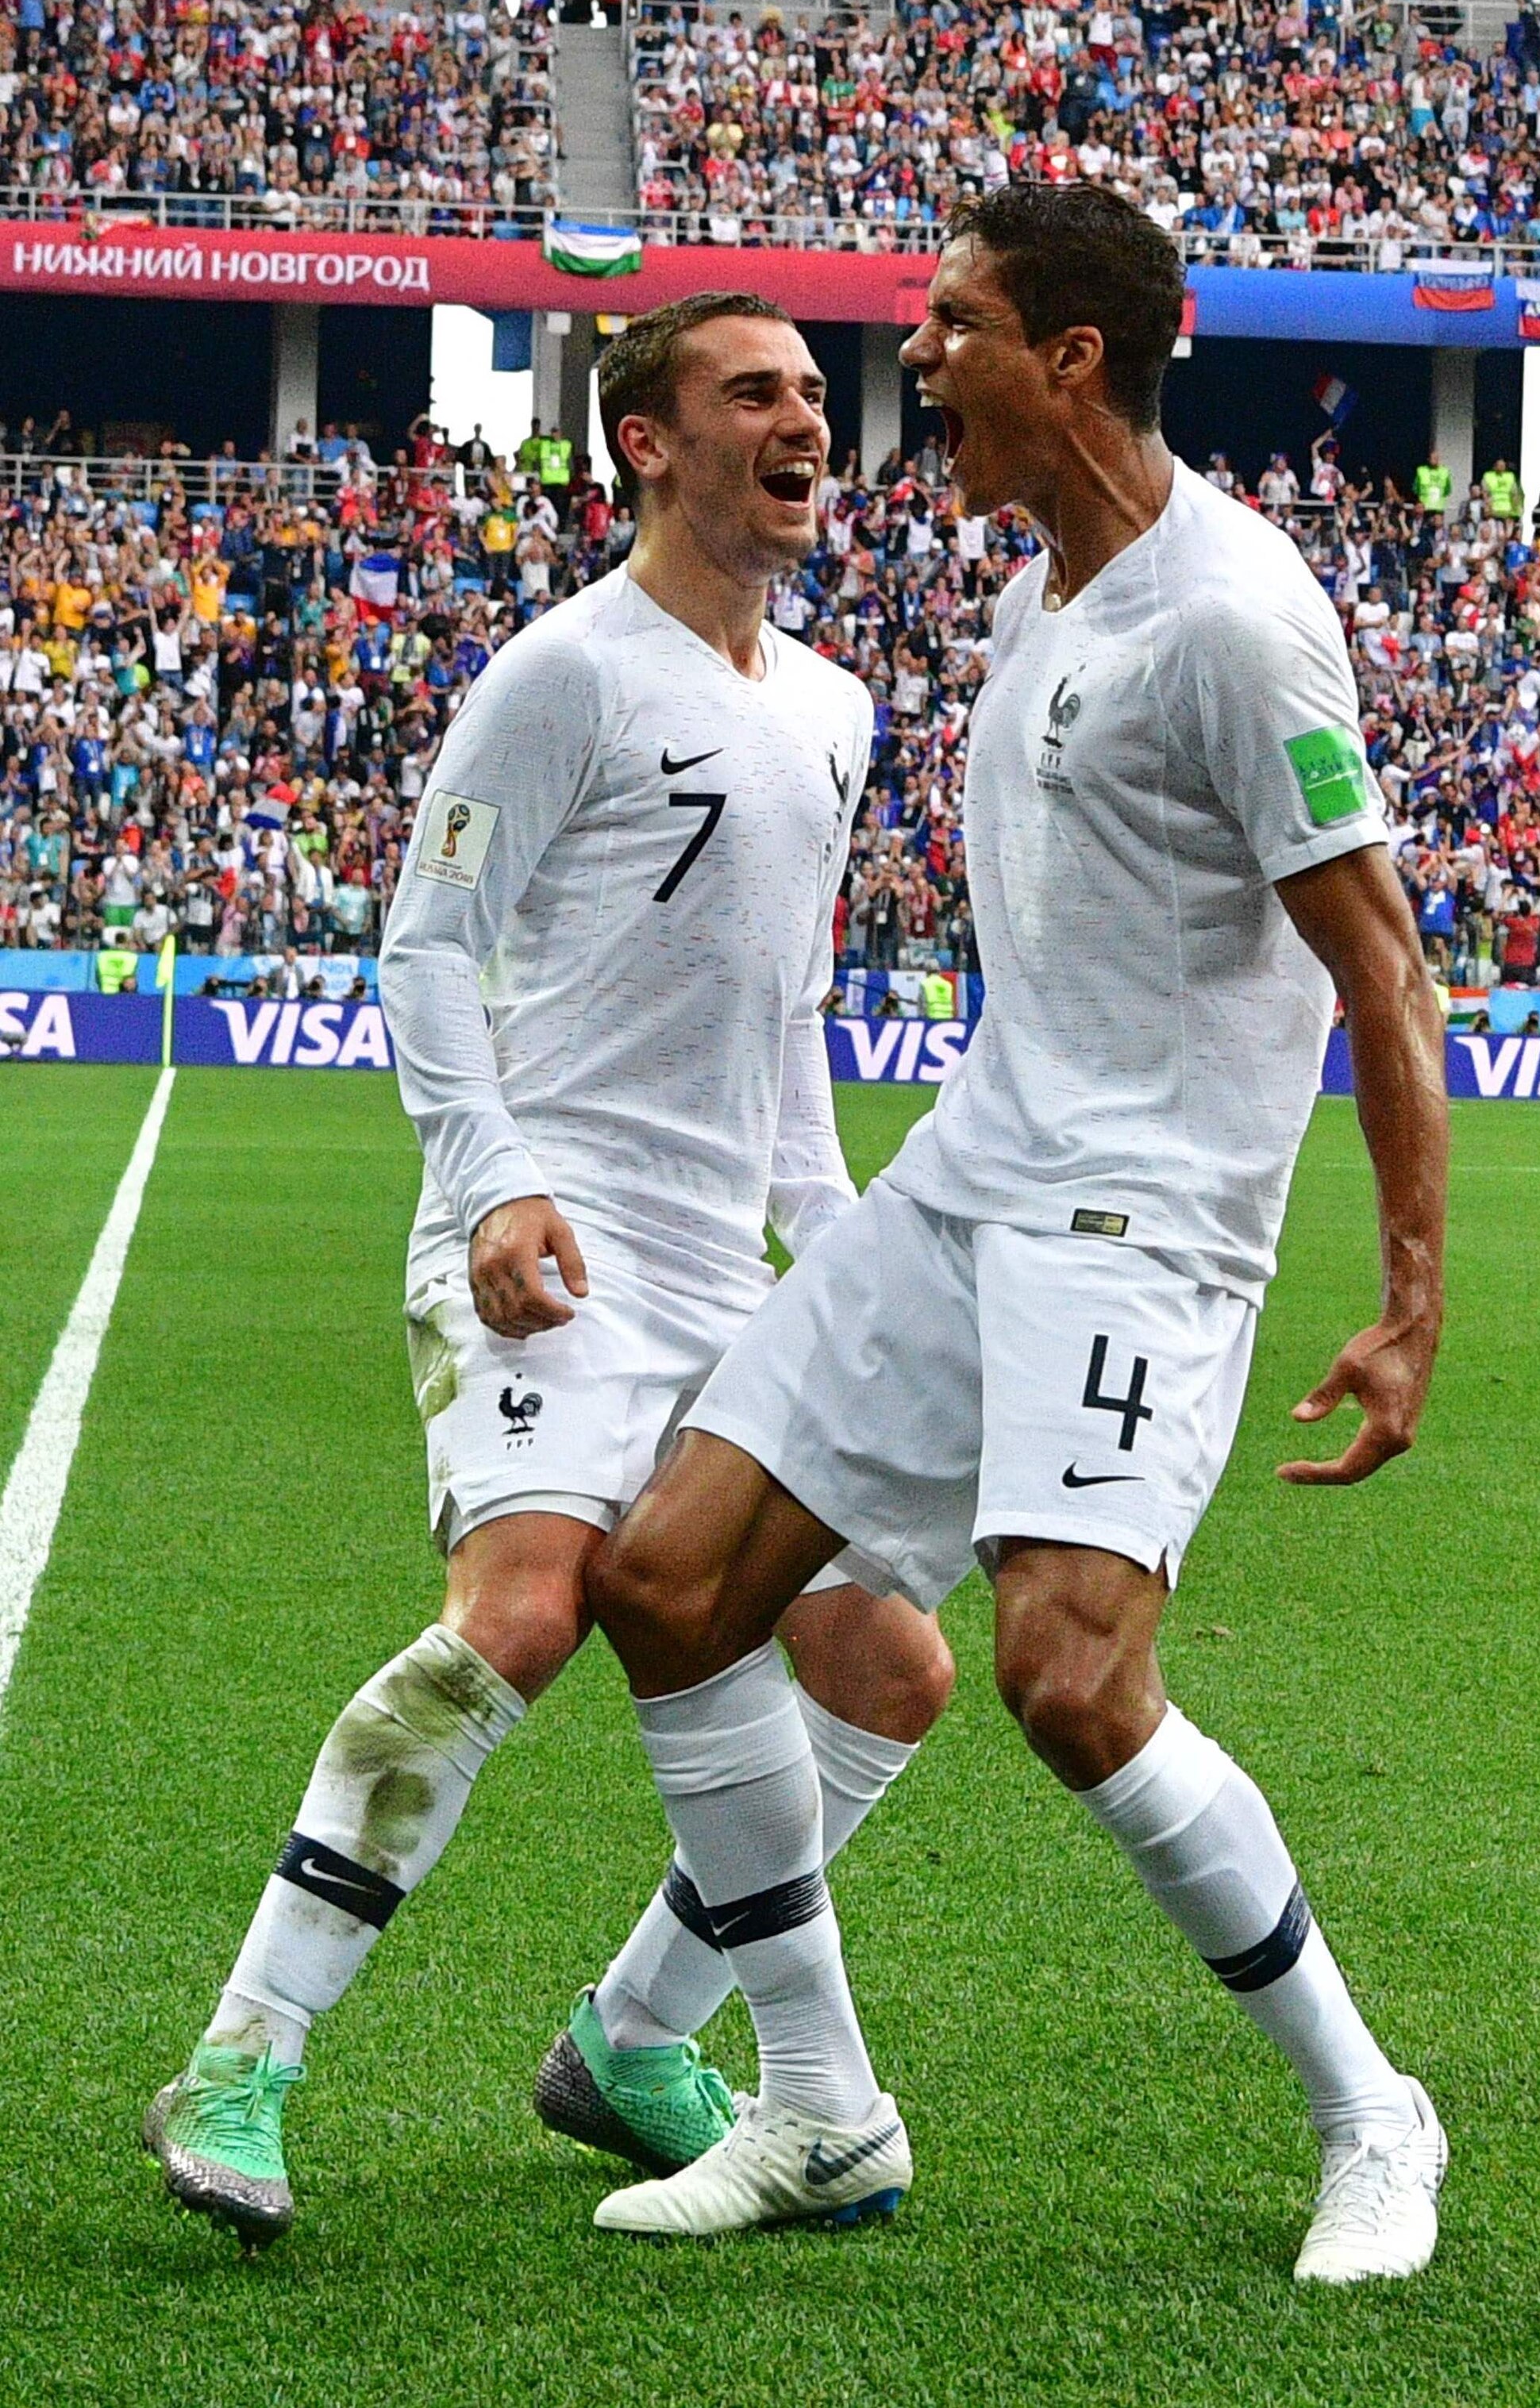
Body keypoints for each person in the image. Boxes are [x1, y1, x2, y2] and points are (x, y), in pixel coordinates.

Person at [566, 185, 1460, 2281]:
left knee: (1072, 1681)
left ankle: (1371, 2112)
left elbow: (1384, 971)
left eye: (952, 324)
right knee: (674, 1580)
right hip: (970, 1176)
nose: (916, 359)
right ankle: (815, 2108)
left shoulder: (1232, 618)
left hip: (1139, 1225)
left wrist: (1410, 1301)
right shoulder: (1044, 598)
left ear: (1073, 357)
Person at [142, 296, 956, 2248]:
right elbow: (426, 947)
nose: (807, 421)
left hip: (721, 1264)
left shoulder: (837, 709)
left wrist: (836, 1257)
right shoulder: (560, 673)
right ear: (646, 447)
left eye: (812, 396)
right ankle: (244, 2056)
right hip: (544, 1243)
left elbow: (783, 1020)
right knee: (527, 1610)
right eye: (753, 392)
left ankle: (636, 2032)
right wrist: (492, 1176)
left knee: (887, 1656)